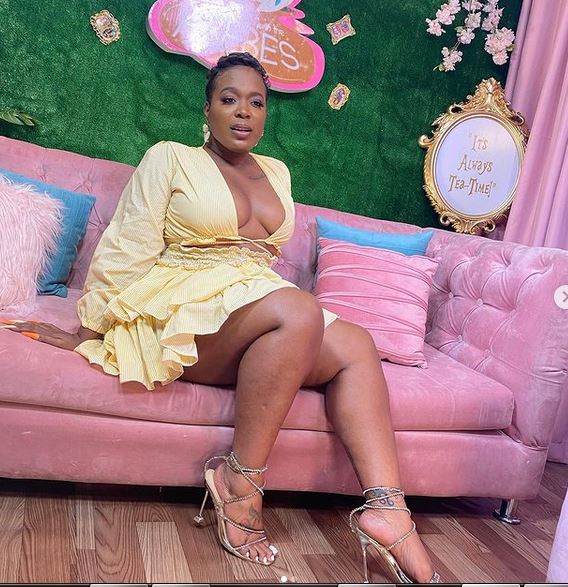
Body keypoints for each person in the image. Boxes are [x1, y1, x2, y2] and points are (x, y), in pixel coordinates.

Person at [6, 52, 439, 583]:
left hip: (256, 306)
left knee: (355, 343)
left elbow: (262, 269)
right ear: (207, 108)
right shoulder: (170, 158)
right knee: (300, 310)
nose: (243, 112)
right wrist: (87, 331)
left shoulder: (277, 172)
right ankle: (240, 483)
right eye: (229, 99)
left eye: (256, 102)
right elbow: (128, 244)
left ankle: (390, 511)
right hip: (186, 307)